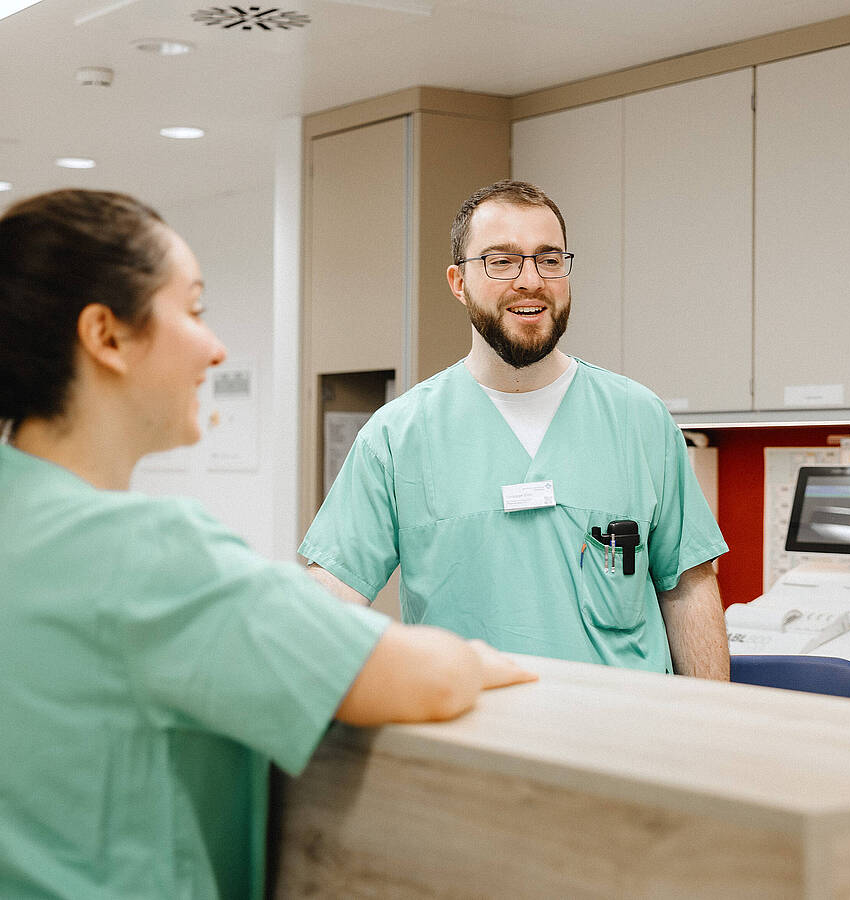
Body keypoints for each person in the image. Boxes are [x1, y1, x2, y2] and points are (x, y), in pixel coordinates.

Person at [0, 188, 535, 898]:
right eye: (191, 311)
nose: (215, 346)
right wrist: (472, 655)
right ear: (106, 336)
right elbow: (426, 680)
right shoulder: (149, 555)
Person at [301, 180, 730, 678]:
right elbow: (331, 593)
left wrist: (713, 732)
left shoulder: (639, 419)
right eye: (500, 261)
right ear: (458, 283)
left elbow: (688, 587)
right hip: (475, 737)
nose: (530, 280)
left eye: (548, 259)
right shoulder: (399, 436)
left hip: (622, 735)